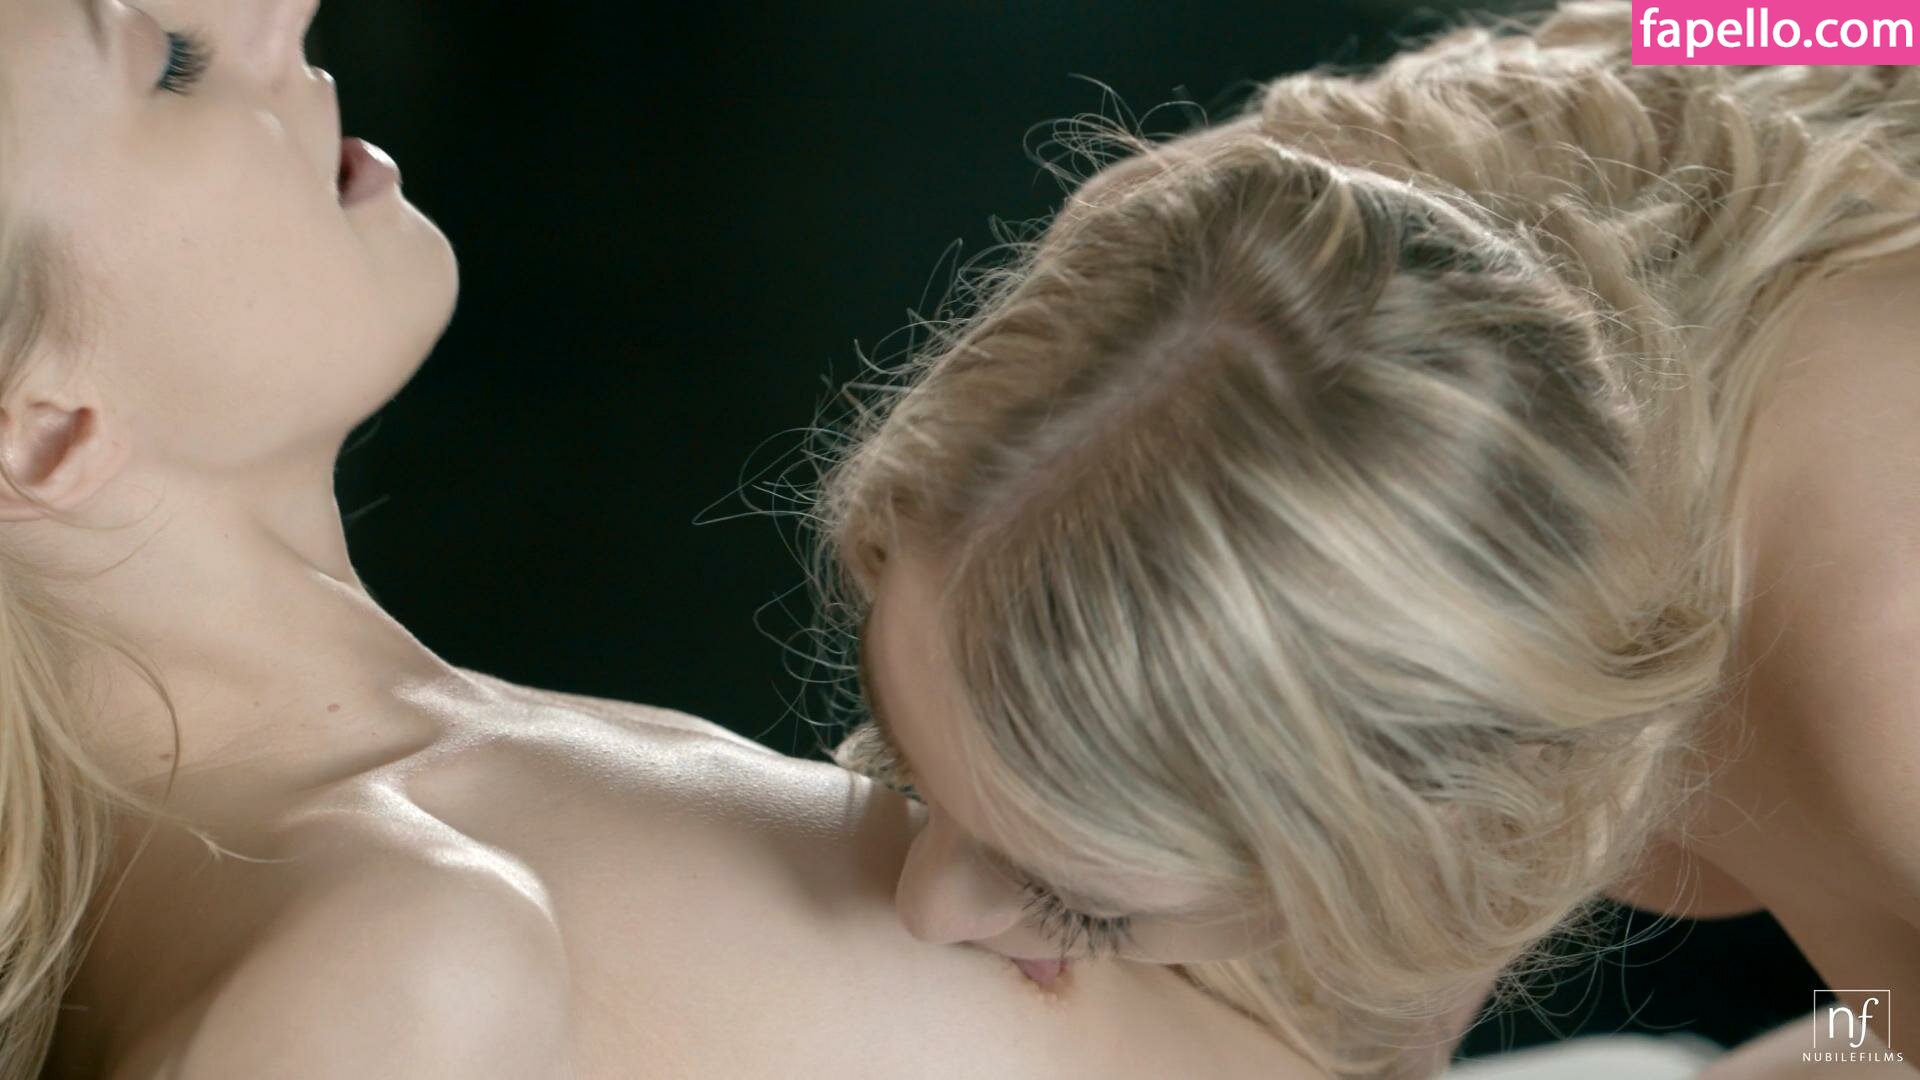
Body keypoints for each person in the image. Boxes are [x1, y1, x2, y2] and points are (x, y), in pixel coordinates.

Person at [0, 0, 1331, 1077]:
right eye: (168, 66)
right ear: (40, 435)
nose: (279, 12)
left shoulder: (417, 821)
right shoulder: (389, 961)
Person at [804, 1, 1920, 1076]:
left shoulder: (1888, 713)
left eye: (1081, 901)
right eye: (907, 758)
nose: (924, 907)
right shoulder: (1199, 282)